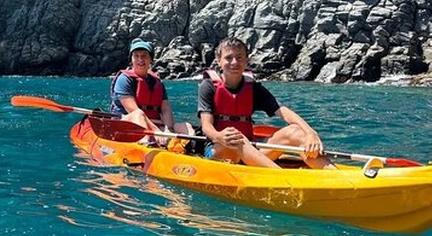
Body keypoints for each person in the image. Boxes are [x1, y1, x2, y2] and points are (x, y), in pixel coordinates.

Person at [198, 37, 335, 169]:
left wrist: (311, 133)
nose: (234, 62)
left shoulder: (254, 88)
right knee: (235, 137)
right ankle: (282, 179)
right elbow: (206, 126)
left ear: (246, 60)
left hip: (250, 149)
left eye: (239, 57)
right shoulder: (209, 86)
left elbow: (283, 112)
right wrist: (219, 136)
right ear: (219, 61)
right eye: (228, 58)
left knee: (296, 131)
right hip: (219, 149)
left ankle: (336, 177)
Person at [110, 38, 193, 145]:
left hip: (155, 124)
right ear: (131, 59)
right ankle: (146, 144)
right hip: (129, 124)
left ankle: (188, 146)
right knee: (138, 114)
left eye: (144, 56)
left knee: (185, 126)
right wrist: (157, 132)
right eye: (136, 56)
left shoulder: (157, 82)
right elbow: (133, 110)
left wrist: (168, 130)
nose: (140, 59)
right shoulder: (124, 80)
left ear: (151, 59)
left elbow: (166, 110)